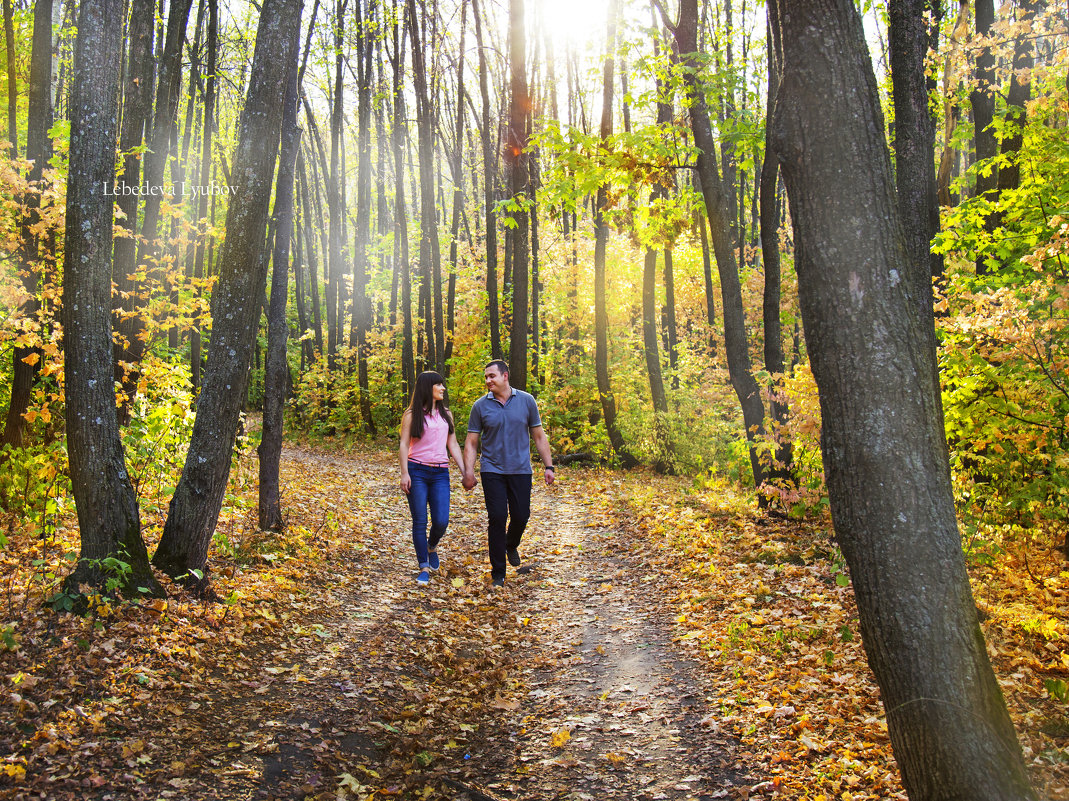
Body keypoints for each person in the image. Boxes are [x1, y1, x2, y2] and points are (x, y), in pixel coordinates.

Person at [463, 360, 555, 587]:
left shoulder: (526, 401)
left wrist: (549, 466)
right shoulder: (480, 406)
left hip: (521, 470)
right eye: (486, 377)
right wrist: (468, 471)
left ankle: (511, 543)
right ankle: (498, 574)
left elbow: (539, 436)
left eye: (492, 376)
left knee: (521, 515)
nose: (488, 381)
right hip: (492, 469)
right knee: (496, 518)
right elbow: (472, 442)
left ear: (505, 376)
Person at [399, 371, 469, 585]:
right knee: (419, 520)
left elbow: (453, 444)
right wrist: (404, 473)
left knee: (441, 521)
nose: (442, 388)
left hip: (440, 473)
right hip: (417, 471)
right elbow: (403, 444)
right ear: (427, 387)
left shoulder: (446, 414)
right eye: (438, 384)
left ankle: (432, 546)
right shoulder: (412, 414)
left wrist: (466, 470)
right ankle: (424, 567)